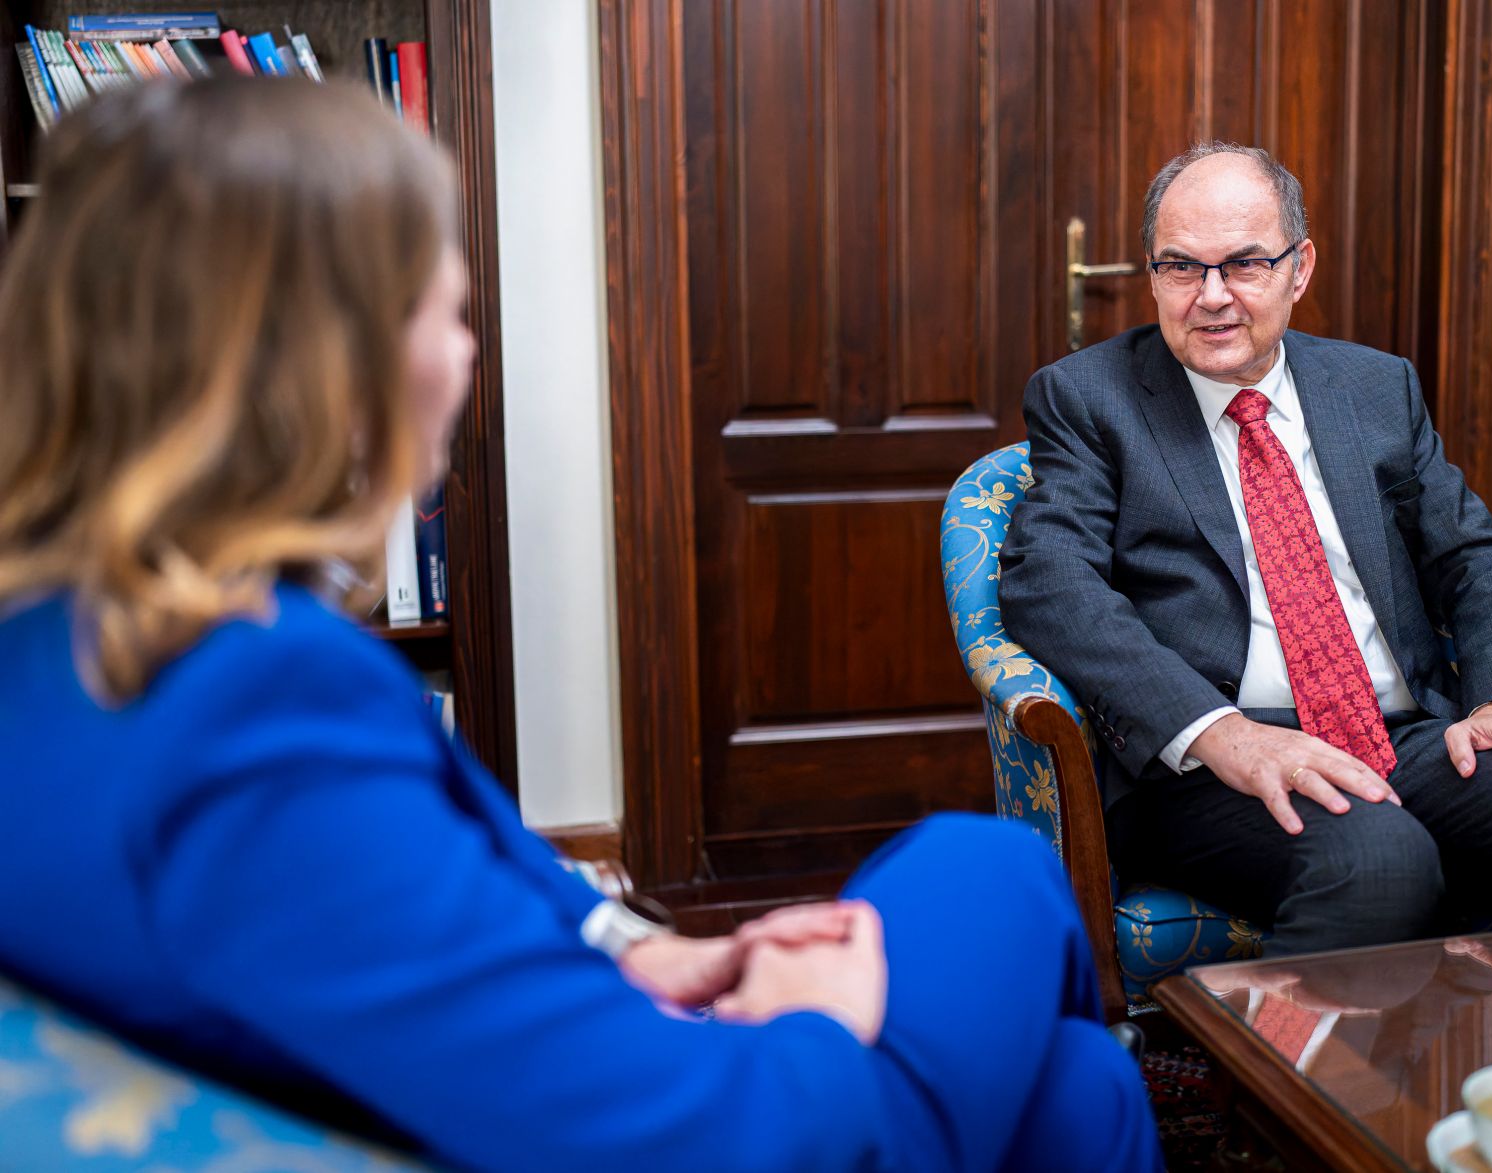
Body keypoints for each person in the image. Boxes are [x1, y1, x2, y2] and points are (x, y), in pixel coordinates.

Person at [0, 80, 1158, 1173]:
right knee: (999, 870)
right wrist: (813, 1029)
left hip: (522, 1068)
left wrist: (639, 947)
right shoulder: (248, 705)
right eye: (448, 308)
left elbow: (387, 908)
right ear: (328, 361)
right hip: (762, 1133)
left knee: (1069, 1084)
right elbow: (718, 1145)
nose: (465, 351)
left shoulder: (57, 642)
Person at [998, 142, 1492, 959]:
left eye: (1244, 263)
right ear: (1152, 273)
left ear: (1299, 267)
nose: (1212, 297)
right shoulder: (1089, 398)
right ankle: (1294, 1083)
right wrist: (1220, 732)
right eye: (1181, 267)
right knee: (1382, 861)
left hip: (1406, 729)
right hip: (1219, 759)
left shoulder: (1375, 388)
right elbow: (1050, 582)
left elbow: (1482, 561)